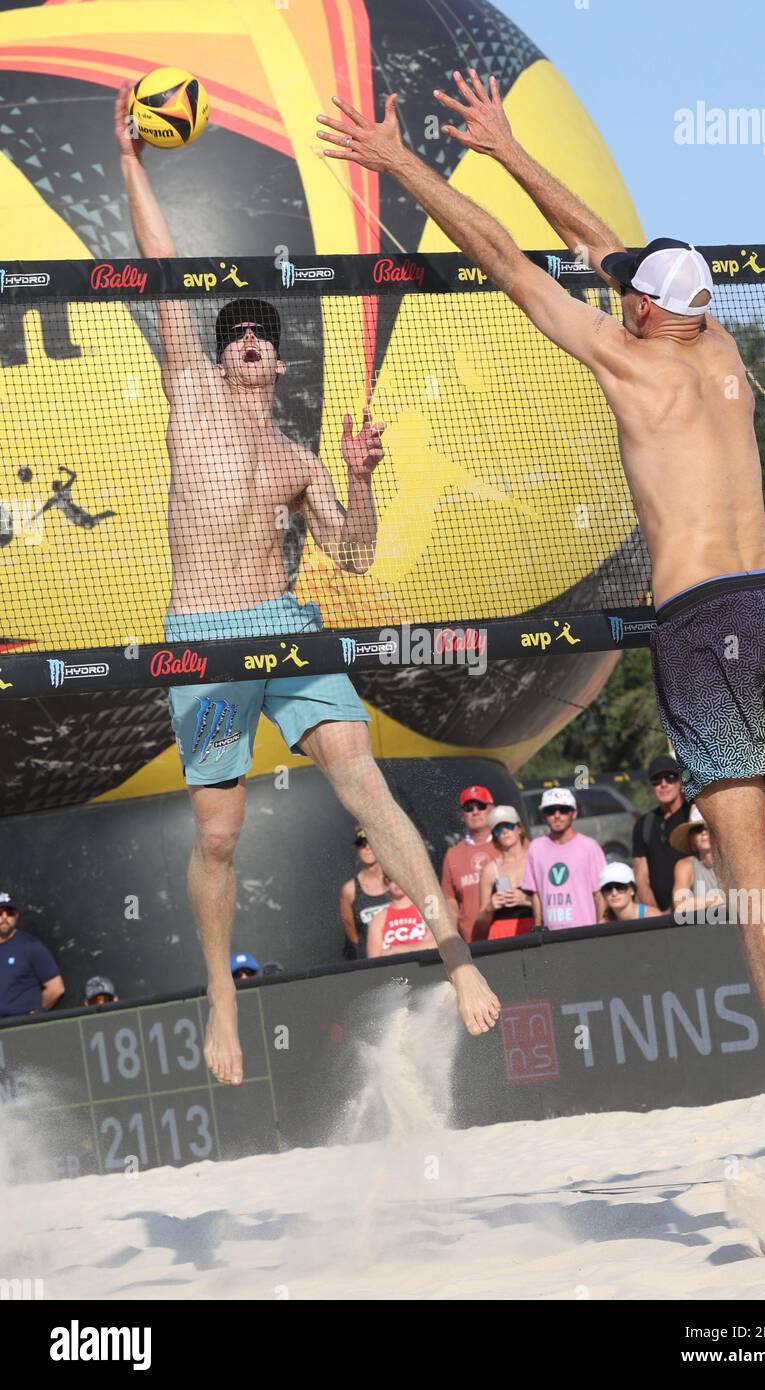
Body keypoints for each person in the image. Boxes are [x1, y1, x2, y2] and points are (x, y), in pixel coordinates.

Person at [320, 75, 765, 1206]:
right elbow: (604, 245)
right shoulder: (708, 348)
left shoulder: (631, 362)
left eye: (628, 300)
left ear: (646, 316)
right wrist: (510, 147)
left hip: (705, 624)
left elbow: (511, 264)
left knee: (755, 892)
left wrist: (401, 165)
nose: (615, 303)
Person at [116, 85, 499, 1083]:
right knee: (219, 828)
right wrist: (130, 162)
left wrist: (360, 481)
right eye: (234, 330)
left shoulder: (297, 457)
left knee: (364, 783)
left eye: (260, 334)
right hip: (202, 630)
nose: (246, 339)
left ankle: (457, 959)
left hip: (283, 623)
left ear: (277, 360)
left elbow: (355, 554)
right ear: (218, 352)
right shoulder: (189, 395)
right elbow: (162, 273)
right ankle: (219, 995)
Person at [520, 788, 606, 929]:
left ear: (574, 813)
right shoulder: (536, 848)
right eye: (550, 810)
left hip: (585, 933)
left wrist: (601, 927)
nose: (557, 815)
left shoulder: (589, 847)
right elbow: (536, 894)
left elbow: (600, 893)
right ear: (543, 815)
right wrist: (537, 927)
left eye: (564, 810)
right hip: (551, 936)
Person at [440, 786, 498, 942]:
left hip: (508, 935)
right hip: (471, 944)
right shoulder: (452, 855)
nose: (475, 811)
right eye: (468, 807)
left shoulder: (509, 843)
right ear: (462, 815)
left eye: (481, 806)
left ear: (492, 810)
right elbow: (450, 902)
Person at [632, 755, 689, 912]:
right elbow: (641, 878)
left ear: (680, 781)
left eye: (670, 778)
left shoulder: (693, 815)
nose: (663, 784)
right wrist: (656, 914)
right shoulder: (644, 824)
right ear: (651, 787)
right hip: (658, 917)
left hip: (695, 911)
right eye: (657, 780)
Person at [0, 892, 64, 1018]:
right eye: (0, 912)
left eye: (10, 912)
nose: (5, 917)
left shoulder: (32, 946)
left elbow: (56, 988)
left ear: (17, 915)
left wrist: (35, 1013)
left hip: (22, 1028)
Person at [475, 805, 534, 940]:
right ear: (494, 836)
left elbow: (551, 905)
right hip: (502, 933)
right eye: (498, 829)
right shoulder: (490, 870)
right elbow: (482, 923)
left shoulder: (535, 860)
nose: (504, 831)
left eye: (508, 825)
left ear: (519, 829)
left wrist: (526, 900)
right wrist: (490, 907)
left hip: (533, 928)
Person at [339, 826, 391, 959]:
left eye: (371, 842)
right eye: (361, 843)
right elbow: (353, 937)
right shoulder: (349, 890)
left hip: (406, 958)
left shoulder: (398, 882)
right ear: (356, 849)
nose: (367, 847)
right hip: (373, 964)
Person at [670, 807, 725, 914]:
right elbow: (680, 904)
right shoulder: (686, 865)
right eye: (698, 829)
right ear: (691, 838)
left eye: (709, 827)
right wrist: (721, 900)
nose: (704, 832)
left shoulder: (730, 862)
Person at [366, 878, 438, 957]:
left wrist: (396, 950)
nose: (397, 882)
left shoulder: (427, 910)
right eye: (391, 878)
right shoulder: (377, 920)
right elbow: (374, 959)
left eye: (401, 877)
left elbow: (438, 945)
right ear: (386, 882)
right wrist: (421, 946)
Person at [598, 863, 662, 924]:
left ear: (632, 890)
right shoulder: (602, 925)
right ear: (603, 894)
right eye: (607, 888)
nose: (614, 893)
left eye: (620, 887)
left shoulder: (653, 917)